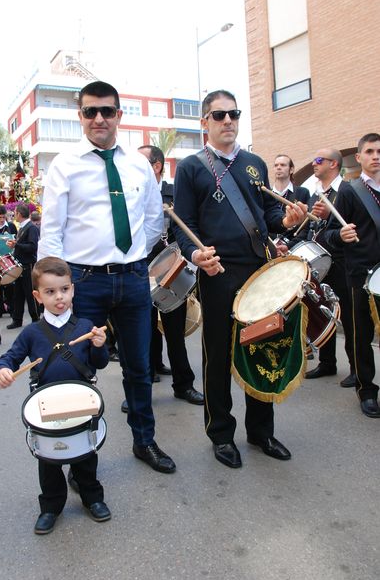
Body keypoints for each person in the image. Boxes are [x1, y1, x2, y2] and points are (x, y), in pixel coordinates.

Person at [38, 80, 176, 474]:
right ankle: (80, 457)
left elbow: (152, 221)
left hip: (133, 280)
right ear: (80, 116)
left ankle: (144, 441)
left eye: (107, 111)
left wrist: (130, 259)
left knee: (138, 367)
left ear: (119, 114)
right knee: (80, 368)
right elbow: (51, 232)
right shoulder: (64, 165)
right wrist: (55, 288)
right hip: (84, 283)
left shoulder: (137, 164)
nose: (99, 118)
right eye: (90, 111)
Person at [173, 89, 306, 468]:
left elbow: (267, 215)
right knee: (217, 356)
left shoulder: (254, 163)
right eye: (219, 116)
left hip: (259, 270)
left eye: (233, 114)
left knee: (262, 348)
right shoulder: (191, 167)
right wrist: (195, 255)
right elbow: (185, 225)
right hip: (218, 275)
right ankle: (221, 434)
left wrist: (286, 222)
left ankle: (261, 431)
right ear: (204, 123)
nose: (228, 121)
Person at [0, 257, 110, 534]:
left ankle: (92, 498)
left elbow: (100, 362)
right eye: (50, 292)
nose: (59, 297)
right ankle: (51, 507)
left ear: (73, 290)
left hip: (82, 402)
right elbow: (10, 358)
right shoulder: (32, 332)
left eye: (65, 289)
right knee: (49, 463)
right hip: (46, 406)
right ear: (37, 296)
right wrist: (3, 370)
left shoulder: (85, 326)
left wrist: (99, 345)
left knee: (86, 457)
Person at [138, 144, 203, 404]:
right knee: (142, 330)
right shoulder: (133, 193)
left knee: (174, 329)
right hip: (140, 269)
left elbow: (187, 228)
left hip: (171, 270)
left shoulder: (174, 193)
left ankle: (183, 384)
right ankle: (145, 379)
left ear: (156, 167)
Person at [325, 133, 380, 418]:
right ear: (358, 158)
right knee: (361, 335)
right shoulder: (349, 191)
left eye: (379, 151)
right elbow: (329, 234)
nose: (376, 156)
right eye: (369, 151)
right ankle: (367, 390)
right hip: (361, 274)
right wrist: (341, 234)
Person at [290, 148, 355, 387]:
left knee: (348, 316)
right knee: (323, 308)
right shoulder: (317, 194)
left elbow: (348, 227)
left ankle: (357, 368)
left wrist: (328, 218)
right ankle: (328, 363)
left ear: (334, 164)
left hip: (342, 262)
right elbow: (311, 230)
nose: (314, 164)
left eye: (319, 160)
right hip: (320, 260)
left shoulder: (348, 190)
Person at [6, 203, 40, 329]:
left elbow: (32, 247)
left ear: (19, 214)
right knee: (18, 293)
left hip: (28, 265)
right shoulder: (22, 227)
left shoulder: (31, 228)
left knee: (30, 293)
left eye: (15, 213)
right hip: (20, 265)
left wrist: (17, 245)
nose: (14, 215)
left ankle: (35, 318)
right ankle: (17, 319)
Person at [0, 205, 17, 318]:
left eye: (3, 217)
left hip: (8, 258)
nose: (1, 220)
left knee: (10, 283)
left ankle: (11, 307)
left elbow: (16, 239)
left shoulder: (11, 226)